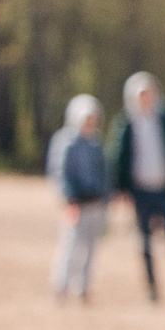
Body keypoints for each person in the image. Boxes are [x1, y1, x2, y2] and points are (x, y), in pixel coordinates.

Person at [108, 71, 165, 306]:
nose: (147, 99)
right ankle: (152, 292)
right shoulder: (126, 125)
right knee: (145, 244)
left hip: (164, 190)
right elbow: (119, 159)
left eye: (150, 93)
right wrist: (122, 190)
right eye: (142, 95)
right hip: (140, 192)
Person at [46, 95, 111, 304]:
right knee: (71, 245)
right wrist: (69, 198)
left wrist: (106, 199)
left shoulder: (95, 143)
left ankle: (83, 288)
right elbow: (60, 173)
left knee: (91, 248)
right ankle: (61, 285)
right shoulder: (66, 142)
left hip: (95, 203)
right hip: (76, 204)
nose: (90, 123)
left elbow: (104, 174)